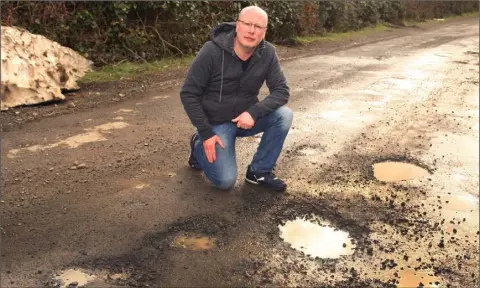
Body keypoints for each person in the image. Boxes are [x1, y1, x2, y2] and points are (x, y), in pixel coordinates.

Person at [180, 5, 293, 191]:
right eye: (247, 24)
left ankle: (259, 172)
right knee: (225, 181)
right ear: (237, 26)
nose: (252, 30)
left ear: (264, 33)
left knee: (284, 115)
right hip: (215, 125)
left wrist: (254, 112)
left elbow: (281, 90)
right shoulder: (211, 51)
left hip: (245, 120)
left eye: (258, 27)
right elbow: (188, 93)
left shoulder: (268, 53)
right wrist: (206, 133)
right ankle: (198, 144)